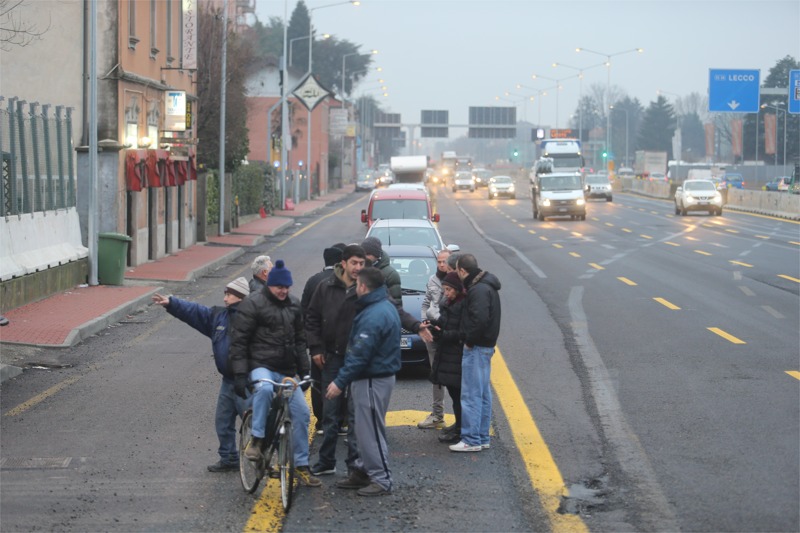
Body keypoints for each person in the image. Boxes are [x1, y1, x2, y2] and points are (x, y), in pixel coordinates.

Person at [229, 260, 321, 487]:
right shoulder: (252, 304)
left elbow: (300, 341)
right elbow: (239, 342)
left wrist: (305, 371)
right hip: (261, 365)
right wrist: (240, 374)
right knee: (265, 389)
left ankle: (301, 465)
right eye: (279, 287)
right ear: (269, 285)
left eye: (286, 287)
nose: (283, 291)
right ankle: (257, 440)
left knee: (301, 413)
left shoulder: (294, 306)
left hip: (286, 371)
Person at [151, 276, 250, 472]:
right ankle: (229, 458)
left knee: (253, 423)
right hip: (227, 381)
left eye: (229, 294)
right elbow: (195, 312)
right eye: (225, 294)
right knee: (223, 423)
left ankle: (262, 460)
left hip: (246, 381)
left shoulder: (252, 320)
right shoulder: (219, 316)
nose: (224, 298)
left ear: (239, 297)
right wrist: (171, 303)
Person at [326, 266, 400, 497]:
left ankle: (381, 479)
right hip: (374, 378)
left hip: (371, 379)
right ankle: (363, 471)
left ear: (363, 286)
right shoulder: (382, 307)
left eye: (356, 284)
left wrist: (339, 382)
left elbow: (360, 354)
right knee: (364, 429)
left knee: (370, 432)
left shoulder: (374, 314)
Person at [305, 244, 366, 477]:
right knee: (329, 414)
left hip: (358, 361)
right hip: (332, 359)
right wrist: (316, 348)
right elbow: (311, 318)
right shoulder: (326, 286)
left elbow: (388, 310)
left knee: (355, 414)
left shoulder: (368, 287)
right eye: (354, 263)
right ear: (344, 263)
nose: (358, 268)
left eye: (362, 263)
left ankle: (354, 465)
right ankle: (326, 460)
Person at [450, 254, 502, 453]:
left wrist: (469, 341)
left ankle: (471, 439)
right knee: (482, 393)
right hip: (485, 346)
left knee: (471, 394)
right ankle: (481, 436)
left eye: (456, 270)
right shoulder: (487, 286)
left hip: (477, 347)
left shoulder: (477, 290)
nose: (456, 274)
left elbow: (478, 319)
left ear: (463, 270)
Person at [301, 243, 346, 433]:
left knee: (318, 383)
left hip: (317, 345)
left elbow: (304, 313)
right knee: (341, 382)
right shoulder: (343, 281)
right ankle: (341, 421)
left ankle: (321, 421)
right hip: (339, 344)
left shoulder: (313, 281)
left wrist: (311, 344)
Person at [429, 271, 466, 444]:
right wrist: (434, 327)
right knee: (453, 391)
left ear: (458, 289)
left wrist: (444, 334)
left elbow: (463, 332)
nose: (446, 293)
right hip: (447, 353)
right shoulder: (448, 303)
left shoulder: (463, 305)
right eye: (444, 290)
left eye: (449, 290)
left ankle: (461, 428)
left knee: (459, 394)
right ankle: (458, 424)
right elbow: (444, 323)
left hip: (457, 354)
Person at [417, 248, 451, 429]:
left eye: (444, 261)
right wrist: (424, 318)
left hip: (450, 335)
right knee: (436, 374)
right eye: (438, 261)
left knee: (453, 376)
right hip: (433, 334)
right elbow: (425, 302)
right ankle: (438, 415)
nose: (441, 264)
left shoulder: (456, 281)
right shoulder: (432, 280)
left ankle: (463, 416)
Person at [361, 236, 401, 301]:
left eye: (368, 254)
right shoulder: (359, 271)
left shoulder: (390, 274)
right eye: (363, 253)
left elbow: (396, 302)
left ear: (376, 255)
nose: (365, 257)